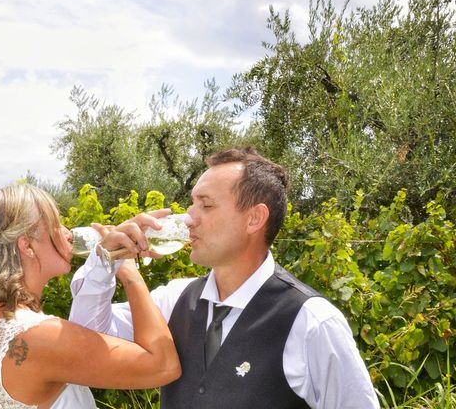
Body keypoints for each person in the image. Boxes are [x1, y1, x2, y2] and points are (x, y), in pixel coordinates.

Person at [69, 147, 379, 409]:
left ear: (254, 218)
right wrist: (108, 262)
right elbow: (88, 340)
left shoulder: (311, 321)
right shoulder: (175, 299)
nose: (190, 218)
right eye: (193, 203)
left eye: (206, 205)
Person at [0, 183, 180, 408]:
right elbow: (163, 366)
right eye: (56, 225)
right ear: (27, 246)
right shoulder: (42, 335)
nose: (68, 232)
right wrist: (128, 271)